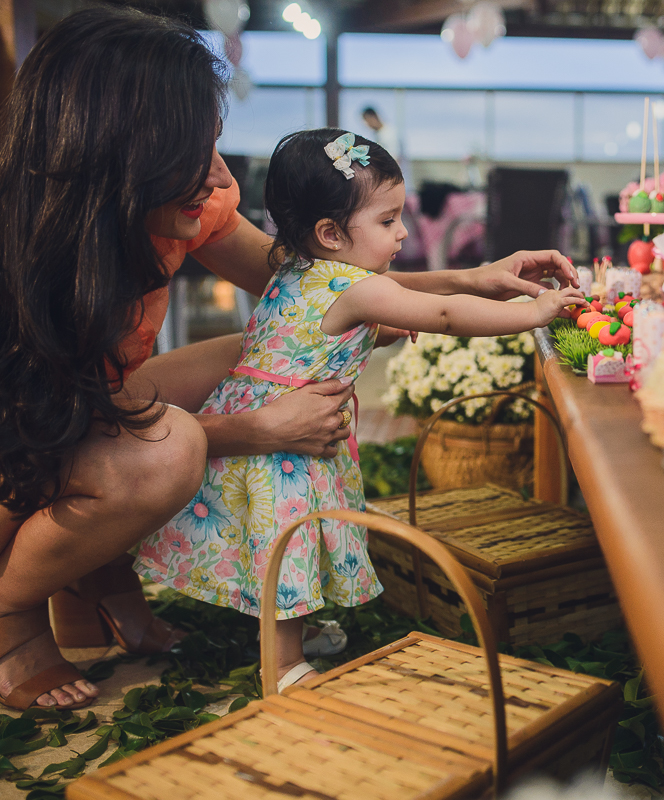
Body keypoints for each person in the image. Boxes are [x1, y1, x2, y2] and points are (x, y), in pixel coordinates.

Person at [0, 7, 577, 710]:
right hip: (24, 432)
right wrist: (254, 430)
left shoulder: (197, 206)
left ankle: (97, 581)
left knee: (269, 346)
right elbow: (35, 427)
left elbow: (317, 285)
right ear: (116, 151)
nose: (218, 178)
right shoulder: (27, 263)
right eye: (195, 152)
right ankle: (12, 616)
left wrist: (470, 277)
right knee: (170, 449)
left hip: (89, 405)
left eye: (216, 146)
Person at [134, 129, 583, 690]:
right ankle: (283, 665)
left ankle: (299, 636)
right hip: (285, 442)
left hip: (269, 422)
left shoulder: (298, 268)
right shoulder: (353, 285)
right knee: (291, 538)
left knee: (289, 538)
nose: (401, 234)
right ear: (330, 232)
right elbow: (442, 314)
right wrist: (534, 311)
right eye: (388, 221)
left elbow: (345, 321)